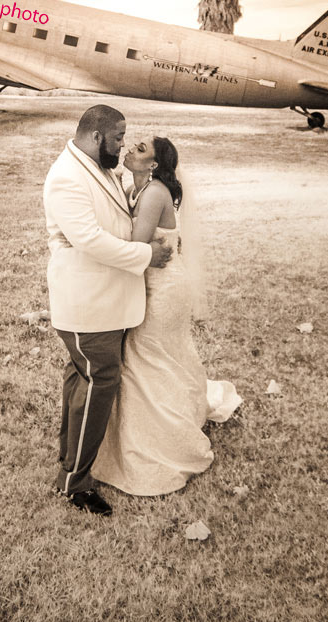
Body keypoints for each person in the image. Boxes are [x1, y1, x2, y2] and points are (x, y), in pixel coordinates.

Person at [91, 135, 242, 496]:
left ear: (154, 165)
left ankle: (167, 443)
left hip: (164, 290)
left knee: (151, 357)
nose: (130, 149)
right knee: (151, 357)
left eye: (140, 149)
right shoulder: (133, 188)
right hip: (145, 282)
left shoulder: (156, 192)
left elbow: (136, 245)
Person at [44, 105, 172, 517]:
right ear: (98, 137)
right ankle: (75, 482)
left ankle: (72, 457)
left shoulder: (99, 168)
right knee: (99, 383)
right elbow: (91, 241)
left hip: (106, 301)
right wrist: (145, 254)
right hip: (87, 304)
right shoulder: (66, 177)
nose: (122, 146)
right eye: (118, 139)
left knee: (81, 381)